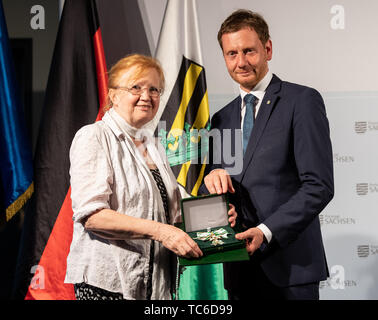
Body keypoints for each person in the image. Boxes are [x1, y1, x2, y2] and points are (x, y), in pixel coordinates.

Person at [64, 54, 236, 300]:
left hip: (156, 285)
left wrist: (217, 215)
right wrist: (162, 232)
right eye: (136, 87)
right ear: (113, 94)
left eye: (154, 89)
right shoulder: (93, 136)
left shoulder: (152, 144)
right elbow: (92, 216)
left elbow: (174, 206)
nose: (147, 96)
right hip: (109, 286)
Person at [202, 10, 334, 300]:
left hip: (291, 269)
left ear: (268, 49)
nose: (241, 62)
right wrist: (215, 189)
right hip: (239, 272)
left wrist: (266, 230)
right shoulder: (221, 119)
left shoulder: (302, 101)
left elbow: (318, 186)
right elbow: (218, 192)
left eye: (249, 51)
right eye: (231, 53)